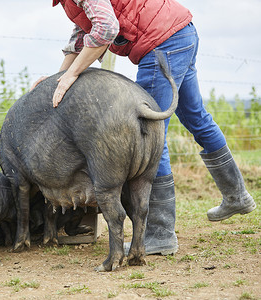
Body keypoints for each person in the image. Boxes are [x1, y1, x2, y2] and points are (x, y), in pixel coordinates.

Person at [32, 0, 256, 255]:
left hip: (162, 43)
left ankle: (160, 234)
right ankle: (236, 196)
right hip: (181, 31)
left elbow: (105, 28)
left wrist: (72, 75)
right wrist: (57, 78)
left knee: (150, 134)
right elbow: (82, 35)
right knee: (197, 118)